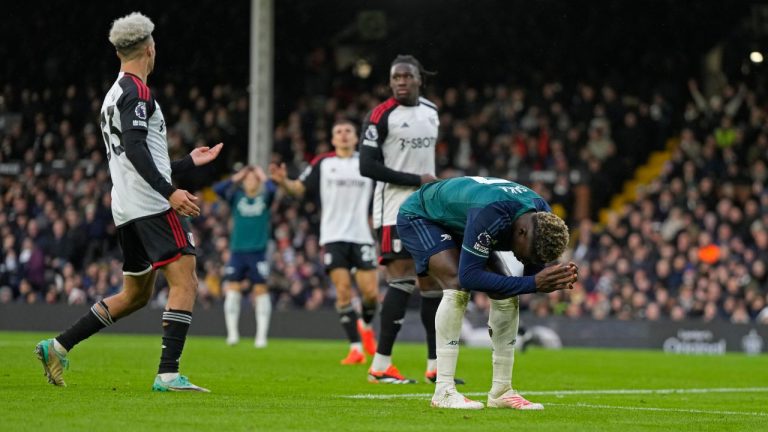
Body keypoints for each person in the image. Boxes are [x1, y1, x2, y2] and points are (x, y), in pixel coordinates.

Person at [35, 12, 221, 392]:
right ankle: (168, 374)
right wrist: (170, 191)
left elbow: (134, 153)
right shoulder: (139, 92)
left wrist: (185, 163)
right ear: (150, 49)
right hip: (151, 203)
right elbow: (135, 147)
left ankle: (57, 345)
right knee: (185, 279)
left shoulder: (114, 94)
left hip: (126, 206)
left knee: (136, 295)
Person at [397, 176, 577, 409]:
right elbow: (469, 276)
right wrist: (533, 283)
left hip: (463, 218)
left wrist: (549, 278)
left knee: (506, 293)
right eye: (530, 254)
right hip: (421, 215)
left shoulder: (541, 217)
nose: (527, 260)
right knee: (457, 284)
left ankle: (501, 391)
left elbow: (530, 273)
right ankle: (443, 391)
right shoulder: (493, 214)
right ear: (521, 232)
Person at [359, 54, 448, 385]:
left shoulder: (431, 111)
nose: (400, 82)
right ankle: (380, 366)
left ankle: (435, 366)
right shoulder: (380, 115)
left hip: (429, 207)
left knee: (432, 284)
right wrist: (417, 180)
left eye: (407, 76)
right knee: (402, 279)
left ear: (419, 79)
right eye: (395, 77)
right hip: (395, 208)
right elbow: (366, 166)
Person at [270, 120, 379, 364]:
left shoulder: (367, 162)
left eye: (347, 132)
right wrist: (283, 182)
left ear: (355, 138)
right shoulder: (323, 163)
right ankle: (355, 349)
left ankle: (367, 326)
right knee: (342, 291)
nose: (342, 135)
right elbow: (298, 189)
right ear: (332, 139)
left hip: (361, 234)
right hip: (333, 236)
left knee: (371, 294)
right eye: (338, 132)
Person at [213, 165, 276, 348]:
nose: (250, 181)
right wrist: (237, 177)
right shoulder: (236, 197)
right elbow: (218, 189)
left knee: (261, 291)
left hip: (258, 250)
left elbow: (273, 189)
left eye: (253, 179)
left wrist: (262, 176)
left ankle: (261, 336)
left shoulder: (265, 198)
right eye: (247, 179)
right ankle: (232, 334)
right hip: (238, 250)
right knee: (232, 289)